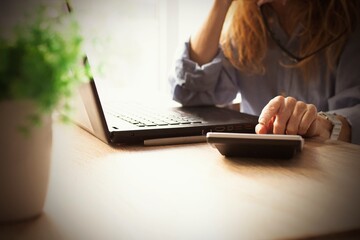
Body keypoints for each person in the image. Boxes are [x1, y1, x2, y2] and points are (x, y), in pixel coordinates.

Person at [168, 0, 360, 144]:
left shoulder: (350, 21)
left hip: (328, 168)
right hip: (256, 166)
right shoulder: (244, 24)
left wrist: (323, 125)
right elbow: (191, 92)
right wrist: (222, 3)